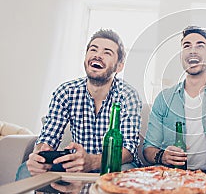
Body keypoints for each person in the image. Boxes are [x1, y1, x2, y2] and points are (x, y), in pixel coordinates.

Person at [16, 29, 142, 179]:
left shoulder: (128, 96)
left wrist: (92, 162)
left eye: (107, 52)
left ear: (119, 66)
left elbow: (128, 150)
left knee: (127, 174)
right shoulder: (66, 92)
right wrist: (39, 157)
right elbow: (48, 139)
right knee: (26, 170)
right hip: (75, 164)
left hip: (115, 165)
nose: (97, 55)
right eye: (93, 49)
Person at [143, 26, 206, 175]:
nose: (193, 50)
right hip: (174, 175)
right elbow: (148, 149)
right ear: (181, 56)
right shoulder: (164, 98)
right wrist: (162, 156)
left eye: (200, 45)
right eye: (187, 46)